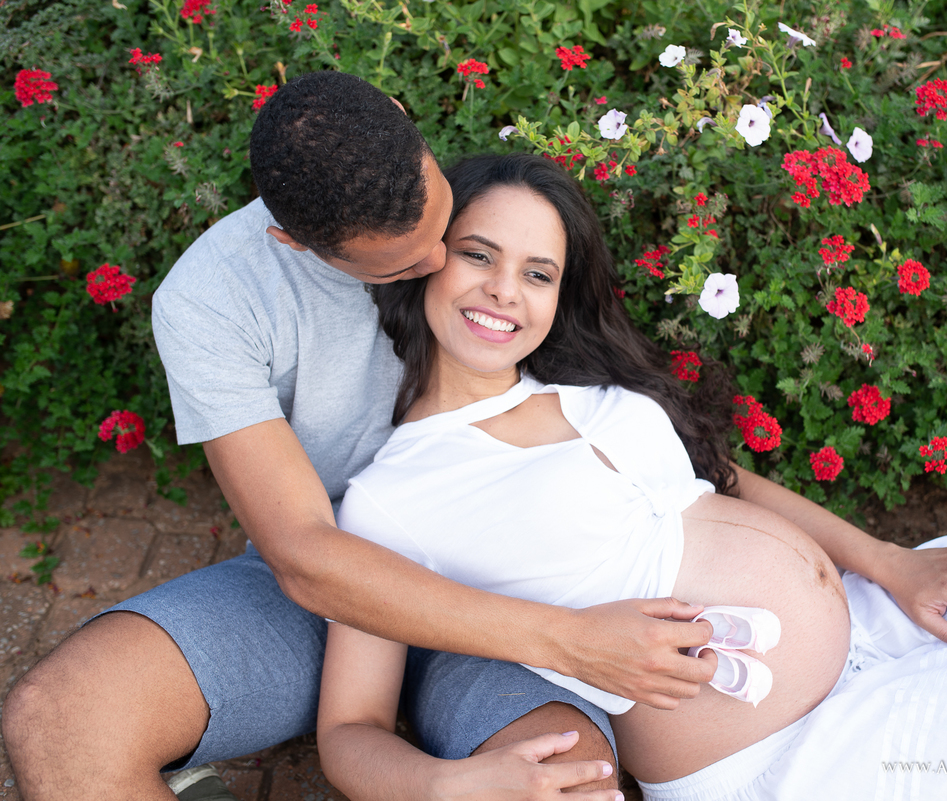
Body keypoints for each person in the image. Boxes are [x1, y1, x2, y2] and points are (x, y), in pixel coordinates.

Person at [322, 152, 947, 799]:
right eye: (479, 255)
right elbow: (349, 728)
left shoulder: (583, 389)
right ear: (429, 257)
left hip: (870, 620)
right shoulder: (394, 499)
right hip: (780, 755)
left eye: (538, 272)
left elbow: (723, 483)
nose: (505, 290)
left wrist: (891, 561)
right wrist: (447, 787)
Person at [3, 71, 718, 801]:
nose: (438, 263)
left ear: (403, 113)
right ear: (295, 242)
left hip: (521, 573)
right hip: (338, 589)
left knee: (568, 784)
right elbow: (304, 552)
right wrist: (565, 641)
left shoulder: (479, 214)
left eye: (445, 235)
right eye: (403, 264)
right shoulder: (212, 302)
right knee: (58, 719)